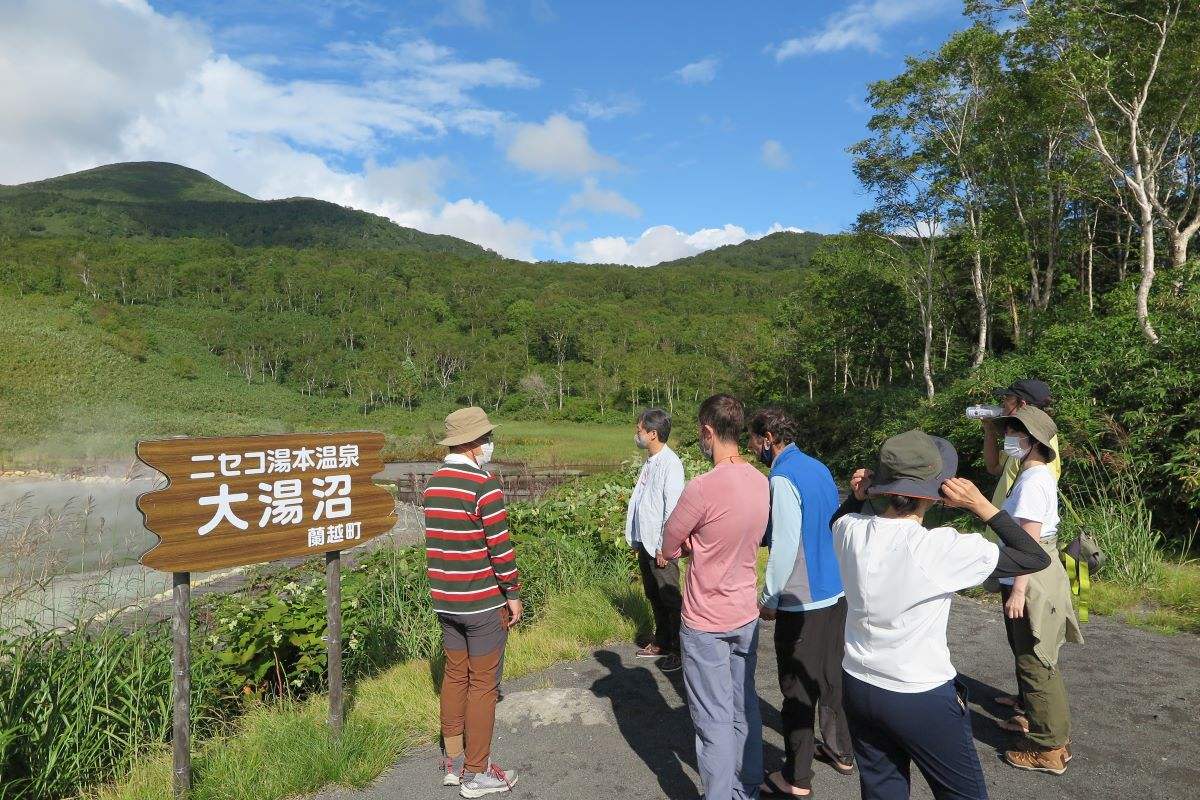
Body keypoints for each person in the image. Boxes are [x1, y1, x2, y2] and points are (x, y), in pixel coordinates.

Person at [831, 430, 1053, 800]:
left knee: (881, 789)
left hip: (858, 683)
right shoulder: (940, 548)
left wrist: (860, 497)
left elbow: (842, 519)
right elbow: (1034, 557)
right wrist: (983, 506)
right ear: (933, 492)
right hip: (919, 694)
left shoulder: (848, 531)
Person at [662, 394, 769, 800]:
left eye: (700, 435)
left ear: (708, 432)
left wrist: (693, 542)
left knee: (713, 719)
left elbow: (668, 545)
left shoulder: (701, 488)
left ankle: (720, 794)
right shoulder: (762, 482)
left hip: (706, 617)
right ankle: (747, 788)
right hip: (745, 611)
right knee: (745, 706)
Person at [748, 407, 853, 797]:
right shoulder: (817, 466)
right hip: (834, 591)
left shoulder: (783, 476)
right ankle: (842, 751)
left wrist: (769, 596)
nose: (750, 446)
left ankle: (797, 777)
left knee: (796, 691)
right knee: (830, 678)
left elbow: (786, 544)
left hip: (802, 599)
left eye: (753, 439)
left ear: (768, 438)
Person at [423, 406, 522, 797]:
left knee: (454, 674)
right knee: (483, 684)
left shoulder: (434, 485)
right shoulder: (483, 485)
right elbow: (500, 548)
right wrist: (512, 594)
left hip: (444, 601)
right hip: (481, 603)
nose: (489, 445)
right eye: (485, 439)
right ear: (471, 444)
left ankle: (452, 759)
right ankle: (477, 772)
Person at [992, 406, 1082, 774]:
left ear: (1032, 441)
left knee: (1036, 662)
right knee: (1033, 656)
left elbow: (1028, 545)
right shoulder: (1034, 476)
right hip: (1034, 574)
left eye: (1013, 433)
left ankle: (1049, 747)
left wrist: (1018, 591)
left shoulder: (1033, 482)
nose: (1007, 440)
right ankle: (1041, 725)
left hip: (1030, 579)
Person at [624, 407, 686, 672]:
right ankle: (662, 641)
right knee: (653, 594)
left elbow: (672, 508)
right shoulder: (651, 462)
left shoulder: (670, 464)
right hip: (646, 542)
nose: (636, 434)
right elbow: (644, 503)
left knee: (669, 597)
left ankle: (681, 649)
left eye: (639, 430)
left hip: (662, 546)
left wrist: (665, 545)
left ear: (652, 434)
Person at [982, 379, 1061, 507]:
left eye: (1007, 399)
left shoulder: (1041, 440)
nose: (1003, 404)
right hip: (1003, 525)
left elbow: (1037, 495)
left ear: (1022, 404)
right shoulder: (1021, 440)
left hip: (1016, 525)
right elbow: (994, 468)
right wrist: (989, 429)